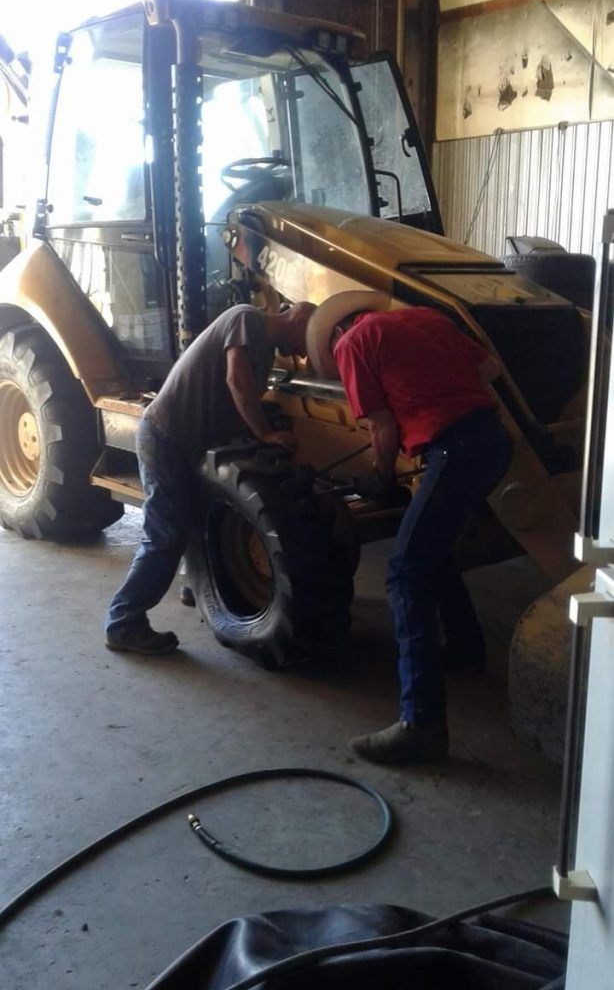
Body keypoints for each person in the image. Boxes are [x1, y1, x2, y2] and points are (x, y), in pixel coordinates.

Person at [308, 294, 512, 765]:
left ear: (336, 331)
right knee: (431, 552)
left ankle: (420, 724)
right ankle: (464, 648)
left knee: (403, 571)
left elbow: (382, 426)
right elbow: (490, 371)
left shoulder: (352, 343)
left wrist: (379, 477)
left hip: (454, 449)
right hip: (491, 442)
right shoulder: (426, 318)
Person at [105, 301, 315, 656]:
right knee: (165, 533)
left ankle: (197, 586)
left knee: (199, 519)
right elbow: (236, 379)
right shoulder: (248, 318)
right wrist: (264, 434)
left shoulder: (263, 348)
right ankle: (123, 622)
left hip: (191, 441)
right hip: (166, 435)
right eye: (307, 340)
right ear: (297, 320)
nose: (304, 352)